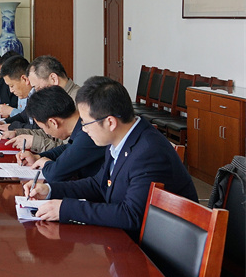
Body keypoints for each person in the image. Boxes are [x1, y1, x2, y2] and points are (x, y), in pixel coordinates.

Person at [24, 76, 197, 241]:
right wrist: (50, 190)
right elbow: (98, 185)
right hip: (125, 237)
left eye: (86, 123)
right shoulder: (118, 140)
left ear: (110, 122)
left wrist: (66, 209)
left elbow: (131, 215)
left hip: (152, 249)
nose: (83, 130)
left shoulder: (148, 153)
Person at [16, 86, 104, 182]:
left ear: (53, 122)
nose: (45, 132)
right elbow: (68, 149)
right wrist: (38, 157)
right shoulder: (80, 128)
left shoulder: (88, 133)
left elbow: (54, 174)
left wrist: (45, 163)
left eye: (43, 128)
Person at [4, 55, 79, 151]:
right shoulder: (56, 98)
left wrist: (35, 142)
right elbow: (50, 133)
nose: (36, 92)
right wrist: (18, 133)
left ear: (53, 79)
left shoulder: (80, 103)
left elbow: (69, 149)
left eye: (37, 88)